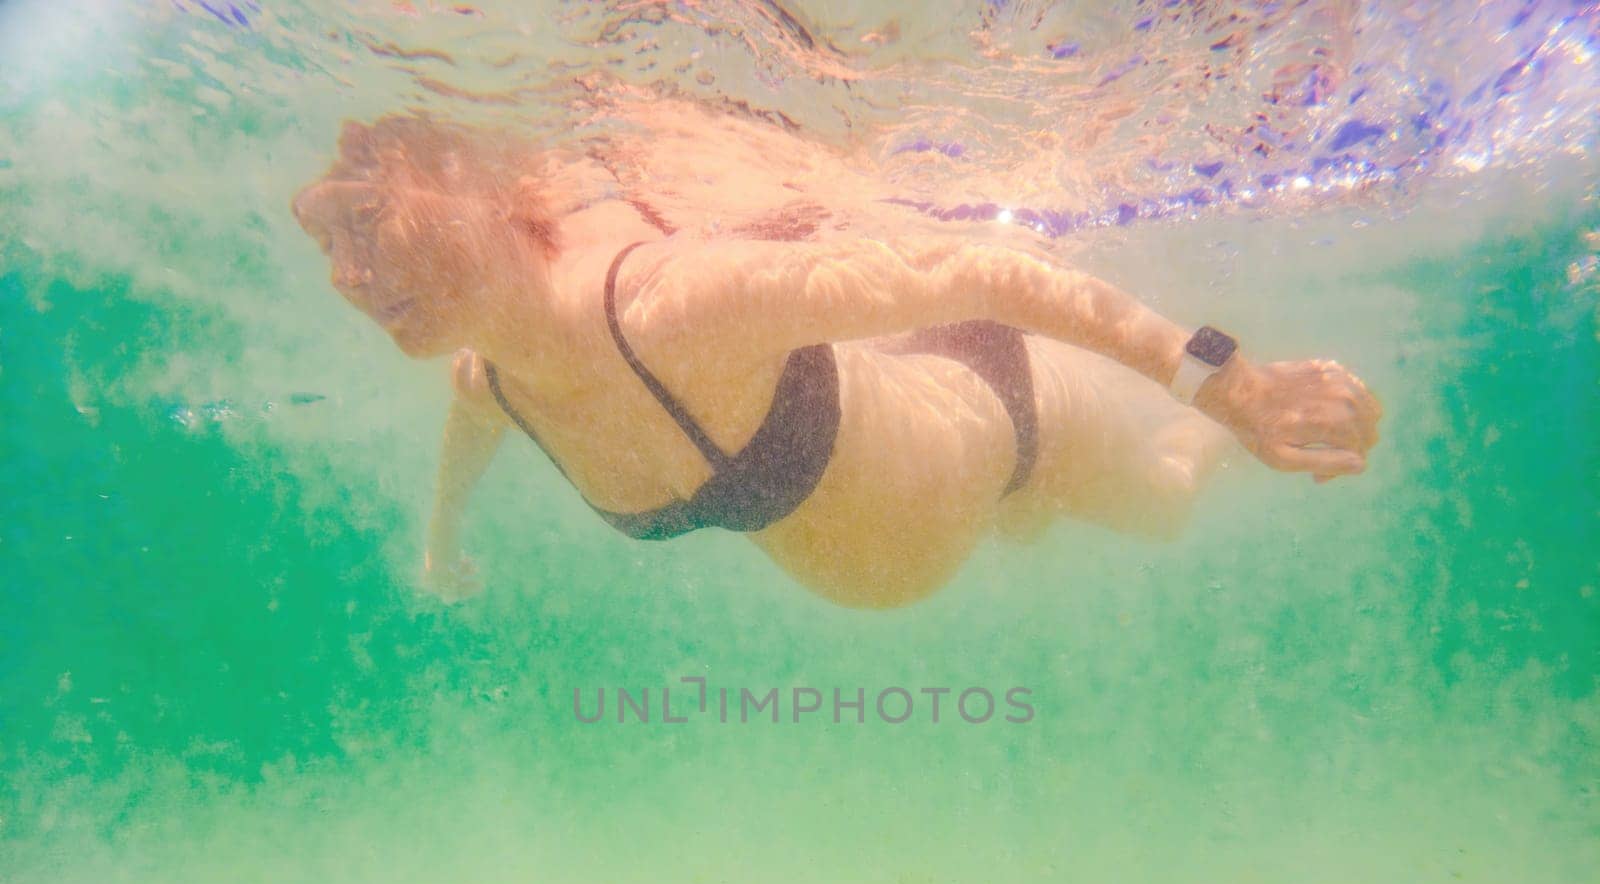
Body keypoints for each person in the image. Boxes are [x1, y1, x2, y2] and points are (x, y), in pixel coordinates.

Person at [292, 116, 1381, 608]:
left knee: (1166, 499)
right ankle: (1053, 499)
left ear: (485, 190)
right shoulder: (496, 371)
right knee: (1046, 521)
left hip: (1003, 405)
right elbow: (473, 421)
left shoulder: (672, 303)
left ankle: (1214, 439)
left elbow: (988, 273)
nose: (346, 275)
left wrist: (1222, 384)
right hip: (913, 420)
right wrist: (439, 545)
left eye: (369, 223)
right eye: (327, 239)